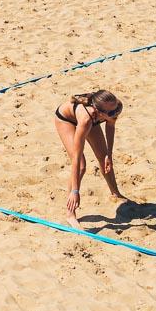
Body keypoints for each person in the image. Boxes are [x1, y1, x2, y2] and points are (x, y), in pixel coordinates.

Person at [53, 90, 126, 222]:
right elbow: (76, 158)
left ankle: (115, 193)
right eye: (111, 113)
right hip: (66, 120)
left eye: (116, 111)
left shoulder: (114, 107)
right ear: (99, 112)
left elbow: (110, 126)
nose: (115, 114)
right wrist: (75, 191)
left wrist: (109, 154)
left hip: (93, 119)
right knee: (81, 165)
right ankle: (70, 213)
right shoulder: (86, 120)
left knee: (104, 158)